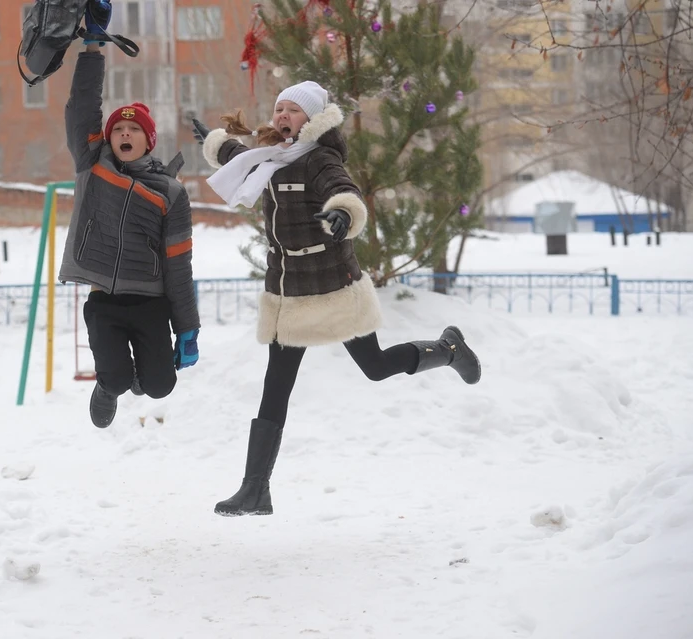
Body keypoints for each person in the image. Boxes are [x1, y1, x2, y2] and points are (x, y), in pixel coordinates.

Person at [192, 80, 481, 517]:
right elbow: (237, 157)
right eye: (279, 109)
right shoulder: (269, 157)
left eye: (292, 110)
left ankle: (448, 348)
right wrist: (216, 143)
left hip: (331, 283)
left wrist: (344, 212)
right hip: (289, 290)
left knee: (376, 367)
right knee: (276, 387)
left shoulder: (318, 159)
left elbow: (342, 188)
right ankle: (255, 489)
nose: (282, 115)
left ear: (311, 119)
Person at [58, 1, 200, 429]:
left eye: (133, 128)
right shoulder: (93, 164)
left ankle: (136, 378)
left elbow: (179, 265)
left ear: (148, 140)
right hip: (105, 299)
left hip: (151, 301)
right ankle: (108, 385)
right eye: (118, 128)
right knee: (117, 378)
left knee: (160, 386)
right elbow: (82, 107)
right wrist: (93, 48)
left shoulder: (170, 193)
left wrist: (187, 328)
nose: (123, 132)